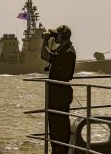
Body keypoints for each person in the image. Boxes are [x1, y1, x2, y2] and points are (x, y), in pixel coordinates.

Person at [41, 25, 76, 154]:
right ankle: (56, 149)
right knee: (54, 125)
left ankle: (61, 151)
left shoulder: (67, 52)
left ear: (63, 36)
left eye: (57, 35)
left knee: (59, 125)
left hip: (60, 93)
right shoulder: (62, 49)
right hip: (56, 92)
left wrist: (45, 40)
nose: (55, 37)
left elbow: (45, 55)